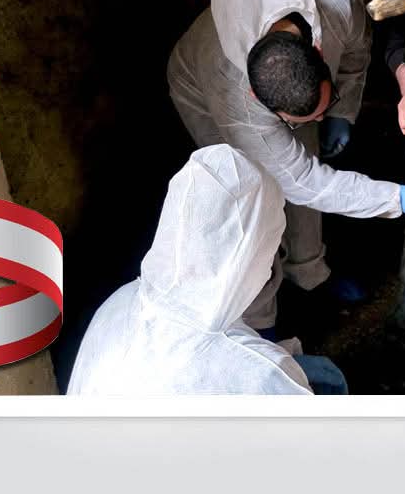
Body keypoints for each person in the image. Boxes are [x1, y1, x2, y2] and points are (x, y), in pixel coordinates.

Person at [166, 0, 405, 335]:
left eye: (324, 102)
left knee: (307, 155)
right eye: (306, 117)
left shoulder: (338, 7)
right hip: (201, 92)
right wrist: (398, 198)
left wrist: (340, 111)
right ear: (258, 98)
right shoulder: (239, 102)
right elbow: (305, 183)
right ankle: (260, 324)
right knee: (253, 199)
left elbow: (355, 54)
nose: (317, 120)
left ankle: (309, 272)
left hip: (292, 91)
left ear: (319, 52)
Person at [67, 145, 346, 396]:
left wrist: (274, 363)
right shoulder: (262, 376)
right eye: (271, 243)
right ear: (252, 256)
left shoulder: (120, 301)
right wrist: (282, 374)